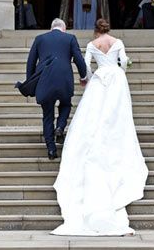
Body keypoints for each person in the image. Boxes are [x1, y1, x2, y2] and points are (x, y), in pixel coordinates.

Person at [51, 18, 148, 236]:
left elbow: (85, 66)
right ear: (108, 29)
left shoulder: (93, 45)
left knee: (94, 112)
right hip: (116, 78)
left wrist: (86, 79)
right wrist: (123, 66)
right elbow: (123, 63)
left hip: (100, 78)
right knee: (116, 112)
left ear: (96, 30)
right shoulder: (118, 41)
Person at [25, 18, 87, 160]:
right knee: (65, 104)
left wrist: (30, 82)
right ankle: (60, 126)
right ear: (63, 28)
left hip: (45, 80)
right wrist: (83, 77)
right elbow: (79, 59)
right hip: (64, 80)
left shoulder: (40, 39)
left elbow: (31, 62)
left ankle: (51, 150)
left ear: (51, 27)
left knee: (47, 115)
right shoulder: (70, 38)